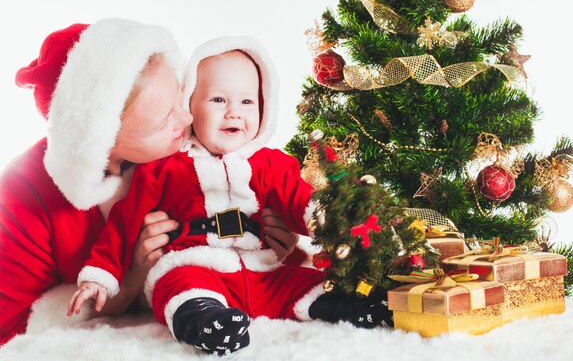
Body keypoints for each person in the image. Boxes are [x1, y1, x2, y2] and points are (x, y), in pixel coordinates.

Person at [68, 37, 392, 356]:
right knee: (178, 287)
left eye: (247, 102)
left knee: (302, 282)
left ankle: (351, 305)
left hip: (260, 268)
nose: (233, 113)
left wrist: (330, 216)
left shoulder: (269, 163)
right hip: (194, 263)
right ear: (189, 107)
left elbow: (297, 198)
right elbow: (125, 222)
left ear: (264, 107)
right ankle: (205, 322)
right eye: (218, 100)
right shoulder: (166, 166)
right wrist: (101, 277)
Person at [0, 20, 299, 347]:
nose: (187, 120)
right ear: (102, 140)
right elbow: (14, 328)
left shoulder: (191, 148)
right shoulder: (23, 197)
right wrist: (130, 285)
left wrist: (272, 240)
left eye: (180, 99)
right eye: (163, 122)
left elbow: (253, 184)